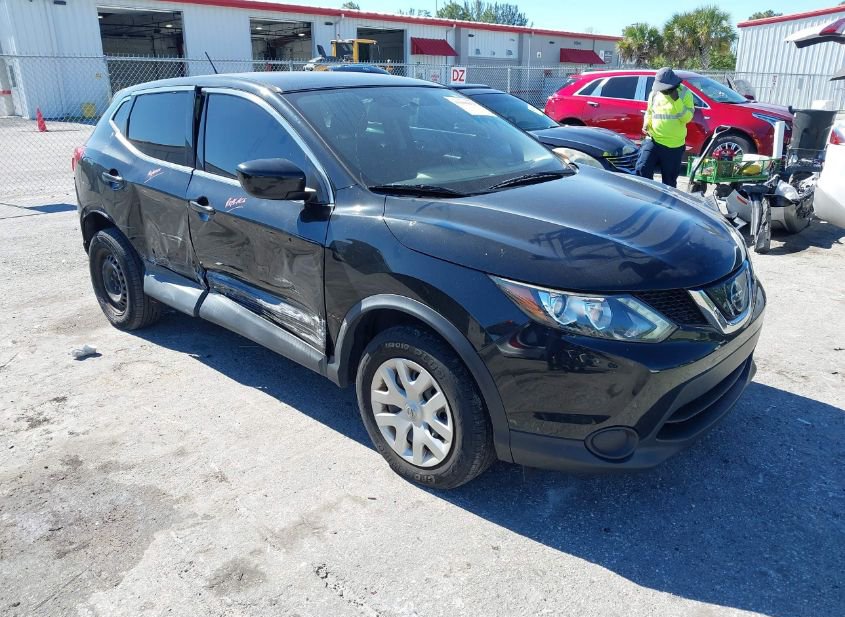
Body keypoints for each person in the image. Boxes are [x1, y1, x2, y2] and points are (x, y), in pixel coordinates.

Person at [635, 67, 695, 188]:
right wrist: (646, 123)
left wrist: (676, 100)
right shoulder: (655, 93)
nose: (663, 91)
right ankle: (646, 198)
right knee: (642, 169)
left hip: (674, 146)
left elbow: (687, 118)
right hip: (653, 139)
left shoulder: (685, 94)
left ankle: (666, 205)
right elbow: (649, 112)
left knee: (669, 182)